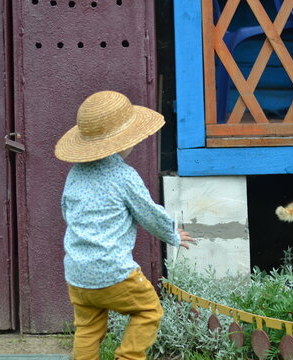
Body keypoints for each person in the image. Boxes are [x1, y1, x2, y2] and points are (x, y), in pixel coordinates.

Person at [54, 90, 195, 360]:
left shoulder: (75, 174)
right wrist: (171, 235)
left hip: (78, 274)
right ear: (124, 142)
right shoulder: (123, 176)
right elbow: (149, 214)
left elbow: (66, 211)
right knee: (148, 311)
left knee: (87, 328)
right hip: (113, 273)